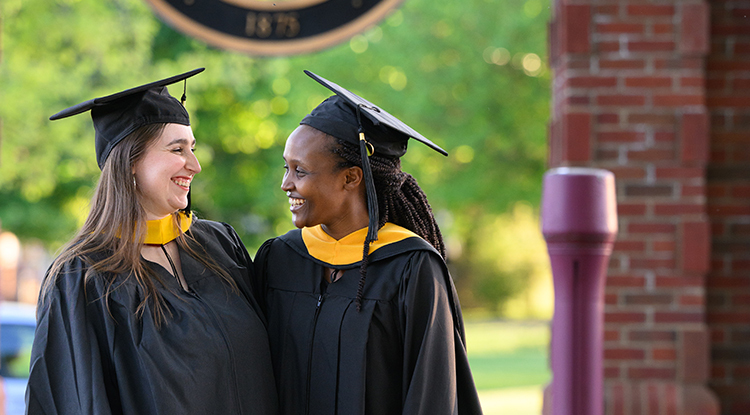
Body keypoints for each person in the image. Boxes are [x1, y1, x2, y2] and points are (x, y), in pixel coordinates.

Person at [26, 69, 278, 415]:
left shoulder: (220, 246)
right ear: (131, 162)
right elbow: (74, 400)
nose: (195, 165)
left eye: (193, 148)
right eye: (178, 149)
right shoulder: (83, 278)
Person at [254, 70, 483, 415]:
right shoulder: (280, 259)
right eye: (285, 168)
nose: (286, 184)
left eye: (300, 171)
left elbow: (432, 397)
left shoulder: (410, 269)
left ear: (350, 177)